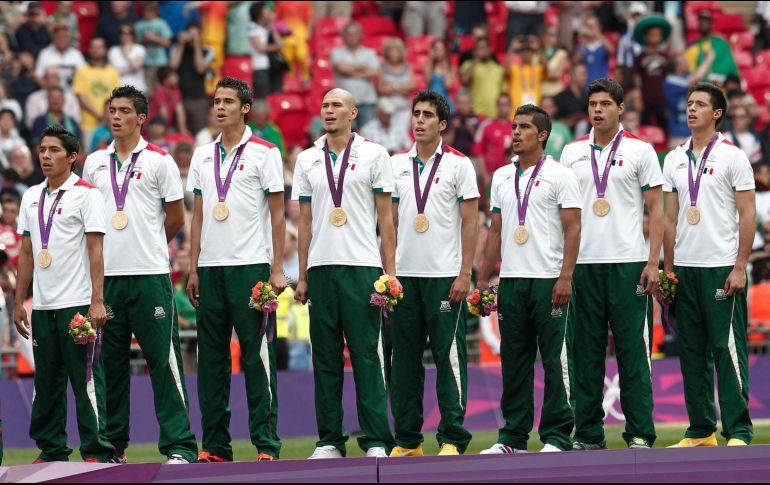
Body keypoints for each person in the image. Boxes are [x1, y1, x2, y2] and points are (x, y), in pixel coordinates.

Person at [82, 85, 198, 465]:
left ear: (141, 118)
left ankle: (180, 445)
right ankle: (114, 446)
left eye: (124, 111)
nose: (115, 117)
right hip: (107, 280)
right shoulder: (94, 163)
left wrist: (147, 244)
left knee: (163, 361)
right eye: (111, 110)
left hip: (149, 276)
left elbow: (176, 217)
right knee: (110, 364)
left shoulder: (160, 161)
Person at [559, 78, 664, 450]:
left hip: (628, 263)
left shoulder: (641, 151)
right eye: (593, 104)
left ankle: (639, 433)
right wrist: (564, 270)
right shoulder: (570, 153)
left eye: (605, 103)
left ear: (621, 107)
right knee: (584, 354)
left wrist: (654, 262)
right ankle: (587, 434)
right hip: (584, 264)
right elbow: (563, 215)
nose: (598, 110)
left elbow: (658, 209)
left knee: (633, 353)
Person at [292, 88, 397, 459]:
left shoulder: (375, 154)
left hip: (363, 267)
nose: (329, 110)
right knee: (325, 357)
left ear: (353, 112)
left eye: (336, 105)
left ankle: (376, 440)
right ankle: (330, 440)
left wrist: (391, 272)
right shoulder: (306, 159)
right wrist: (302, 274)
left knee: (368, 356)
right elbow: (303, 220)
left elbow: (386, 218)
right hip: (321, 268)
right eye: (324, 105)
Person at [187, 77, 286, 462]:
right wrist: (194, 267)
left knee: (257, 358)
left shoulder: (265, 152)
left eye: (228, 101)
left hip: (251, 269)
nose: (220, 107)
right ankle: (214, 446)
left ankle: (266, 445)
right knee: (211, 364)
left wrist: (277, 269)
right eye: (216, 101)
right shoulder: (201, 154)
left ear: (245, 108)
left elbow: (278, 215)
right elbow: (197, 215)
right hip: (210, 268)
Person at [477, 104, 582, 453]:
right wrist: (482, 279)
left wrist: (566, 277)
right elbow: (496, 230)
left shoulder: (560, 175)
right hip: (512, 280)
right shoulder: (502, 177)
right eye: (514, 126)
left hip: (548, 278)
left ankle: (556, 436)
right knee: (515, 360)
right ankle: (513, 437)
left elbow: (573, 228)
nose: (516, 133)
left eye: (524, 127)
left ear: (542, 135)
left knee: (555, 361)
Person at [13, 124, 117, 463]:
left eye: (54, 150)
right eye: (42, 149)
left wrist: (97, 300)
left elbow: (96, 251)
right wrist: (19, 302)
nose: (45, 155)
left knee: (86, 380)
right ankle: (52, 448)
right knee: (46, 383)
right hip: (43, 306)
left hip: (77, 306)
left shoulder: (87, 194)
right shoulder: (31, 196)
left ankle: (96, 449)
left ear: (72, 157)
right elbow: (27, 253)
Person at [663, 82, 755, 448]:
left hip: (720, 266)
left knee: (727, 349)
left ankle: (738, 430)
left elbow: (747, 214)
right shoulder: (672, 157)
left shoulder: (733, 156)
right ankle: (701, 430)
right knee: (692, 351)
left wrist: (740, 266)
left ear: (717, 113)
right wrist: (667, 270)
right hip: (685, 268)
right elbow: (669, 220)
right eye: (689, 104)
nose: (691, 109)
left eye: (700, 104)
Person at [388, 90, 479, 457]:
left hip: (445, 277)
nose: (419, 120)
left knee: (448, 358)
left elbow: (471, 224)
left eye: (427, 115)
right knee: (404, 363)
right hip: (404, 277)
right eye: (416, 113)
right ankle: (408, 440)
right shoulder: (394, 164)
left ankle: (452, 438)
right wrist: (389, 271)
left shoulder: (460, 165)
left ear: (442, 124)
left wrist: (464, 273)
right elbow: (388, 222)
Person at [72, 37, 121, 155]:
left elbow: (116, 98)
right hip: (88, 123)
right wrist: (100, 115)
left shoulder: (113, 72)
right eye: (93, 47)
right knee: (91, 158)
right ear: (89, 49)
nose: (96, 50)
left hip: (110, 125)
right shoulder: (82, 71)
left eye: (99, 47)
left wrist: (107, 117)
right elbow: (81, 98)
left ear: (105, 50)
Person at [331, 22, 380, 128]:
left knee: (367, 135)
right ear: (344, 36)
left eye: (355, 34)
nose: (352, 37)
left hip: (366, 101)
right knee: (344, 135)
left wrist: (351, 71)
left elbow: (375, 72)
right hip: (344, 102)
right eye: (349, 34)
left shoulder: (369, 52)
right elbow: (342, 69)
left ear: (360, 35)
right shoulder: (336, 52)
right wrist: (363, 68)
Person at [683, 11, 739, 85]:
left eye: (706, 21)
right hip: (701, 86)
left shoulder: (721, 43)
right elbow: (689, 74)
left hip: (722, 84)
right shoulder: (692, 46)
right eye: (701, 21)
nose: (703, 23)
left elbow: (731, 67)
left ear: (711, 23)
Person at [460, 37, 504, 120]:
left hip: (495, 115)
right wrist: (476, 59)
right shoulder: (468, 65)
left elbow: (502, 90)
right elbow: (464, 80)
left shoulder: (497, 68)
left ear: (490, 49)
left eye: (485, 47)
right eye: (479, 48)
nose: (483, 50)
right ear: (475, 51)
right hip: (477, 114)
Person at [108, 23, 148, 93]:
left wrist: (126, 54)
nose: (124, 36)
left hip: (137, 89)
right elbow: (112, 72)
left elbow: (136, 67)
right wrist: (130, 70)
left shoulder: (140, 49)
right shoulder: (113, 50)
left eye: (128, 33)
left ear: (133, 35)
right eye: (122, 33)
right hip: (118, 89)